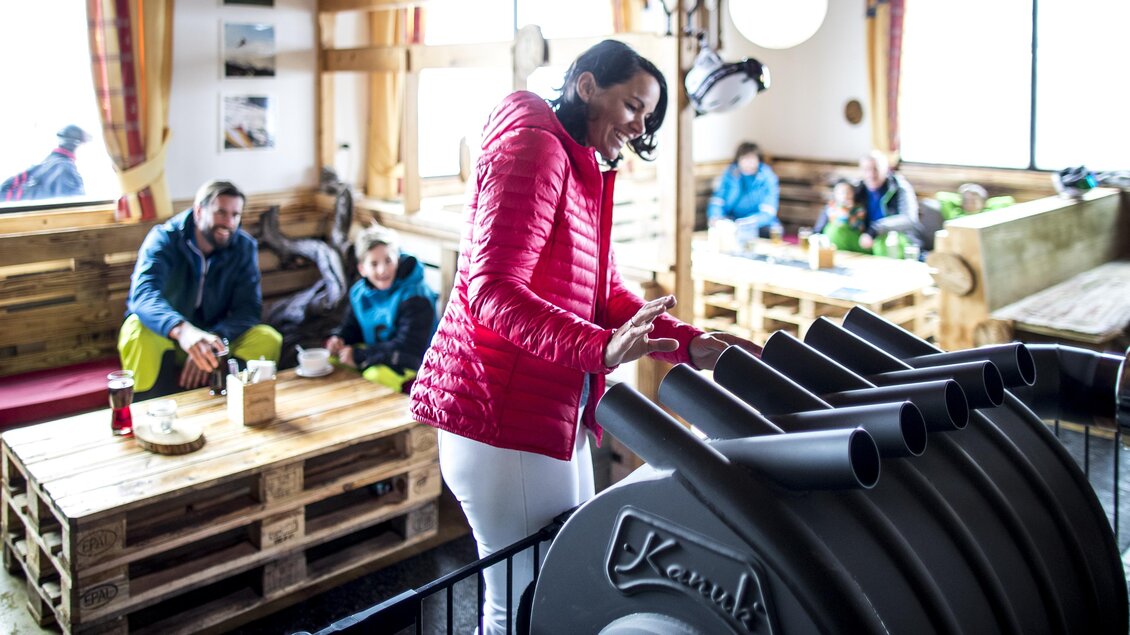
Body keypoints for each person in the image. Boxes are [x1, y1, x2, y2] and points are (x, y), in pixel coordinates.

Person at [408, 39, 761, 634]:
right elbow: (490, 290)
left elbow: (607, 297)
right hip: (502, 418)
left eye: (648, 114)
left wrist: (693, 346)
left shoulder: (577, 165)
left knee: (553, 584)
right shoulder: (534, 148)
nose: (640, 125)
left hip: (547, 409)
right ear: (588, 86)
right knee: (522, 601)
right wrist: (597, 349)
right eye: (633, 106)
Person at [118, 180, 282, 397]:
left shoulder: (244, 246)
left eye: (235, 215)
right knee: (137, 328)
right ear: (198, 212)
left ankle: (238, 405)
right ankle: (147, 412)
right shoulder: (164, 238)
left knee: (268, 338)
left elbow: (249, 310)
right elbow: (143, 295)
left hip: (215, 336)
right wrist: (184, 331)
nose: (229, 223)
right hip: (170, 335)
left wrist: (211, 342)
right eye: (221, 213)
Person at [323, 224, 437, 392]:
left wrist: (360, 356)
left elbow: (409, 345)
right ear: (362, 268)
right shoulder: (359, 293)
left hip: (412, 361)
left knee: (375, 377)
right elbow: (352, 327)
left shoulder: (416, 296)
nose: (382, 270)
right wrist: (339, 339)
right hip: (379, 354)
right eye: (374, 263)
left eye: (388, 261)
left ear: (397, 258)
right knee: (331, 361)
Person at [706, 141, 780, 239]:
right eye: (744, 158)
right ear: (738, 160)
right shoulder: (730, 175)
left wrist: (748, 223)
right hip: (733, 221)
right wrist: (715, 217)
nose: (748, 163)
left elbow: (768, 211)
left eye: (752, 159)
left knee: (772, 231)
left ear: (758, 160)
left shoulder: (767, 177)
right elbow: (718, 200)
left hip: (759, 224)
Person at [1, 125, 91, 202]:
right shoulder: (65, 169)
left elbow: (4, 190)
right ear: (76, 145)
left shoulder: (41, 167)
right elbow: (72, 209)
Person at [855, 150, 919, 252]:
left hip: (894, 238)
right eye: (866, 170)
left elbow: (909, 219)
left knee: (885, 241)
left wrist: (876, 229)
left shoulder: (900, 187)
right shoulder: (858, 188)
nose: (871, 174)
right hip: (865, 239)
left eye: (875, 169)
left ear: (886, 169)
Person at [814, 178, 869, 253]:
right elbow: (818, 229)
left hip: (853, 243)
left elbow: (859, 227)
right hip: (832, 244)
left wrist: (848, 212)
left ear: (853, 193)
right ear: (835, 194)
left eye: (848, 192)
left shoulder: (859, 209)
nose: (845, 195)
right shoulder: (829, 209)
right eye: (841, 192)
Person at [935, 183, 1015, 221]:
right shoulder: (957, 214)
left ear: (983, 202)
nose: (970, 203)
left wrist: (987, 204)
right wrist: (960, 201)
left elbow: (1008, 200)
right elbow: (942, 196)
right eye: (966, 200)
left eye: (974, 200)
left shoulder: (989, 213)